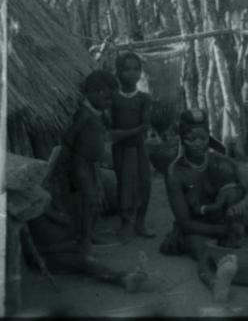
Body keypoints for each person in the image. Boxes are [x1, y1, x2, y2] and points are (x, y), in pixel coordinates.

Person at [162, 108, 248, 302]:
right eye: (192, 138)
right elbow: (184, 222)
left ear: (209, 136)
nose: (198, 143)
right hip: (196, 228)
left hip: (226, 219)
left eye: (202, 137)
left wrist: (242, 204)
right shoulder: (175, 173)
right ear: (182, 139)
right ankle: (216, 285)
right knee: (205, 253)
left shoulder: (222, 161)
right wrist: (221, 231)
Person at [25, 165, 148, 294]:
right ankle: (123, 278)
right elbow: (33, 250)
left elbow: (65, 222)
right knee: (85, 262)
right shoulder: (28, 213)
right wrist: (65, 246)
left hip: (61, 247)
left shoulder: (43, 204)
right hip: (50, 256)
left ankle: (126, 275)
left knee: (86, 259)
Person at [62, 70, 117, 256]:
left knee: (92, 202)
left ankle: (89, 235)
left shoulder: (97, 111)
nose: (108, 103)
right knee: (89, 200)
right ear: (95, 93)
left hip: (90, 165)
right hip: (81, 163)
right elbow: (70, 136)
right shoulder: (84, 113)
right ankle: (84, 241)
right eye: (107, 98)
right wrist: (69, 164)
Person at [110, 51, 155, 241]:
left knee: (145, 183)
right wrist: (117, 135)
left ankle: (140, 222)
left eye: (136, 69)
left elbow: (145, 126)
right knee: (124, 184)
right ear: (118, 72)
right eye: (127, 69)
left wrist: (121, 134)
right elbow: (110, 125)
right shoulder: (113, 98)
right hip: (120, 150)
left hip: (138, 147)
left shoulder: (144, 98)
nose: (132, 73)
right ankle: (126, 223)